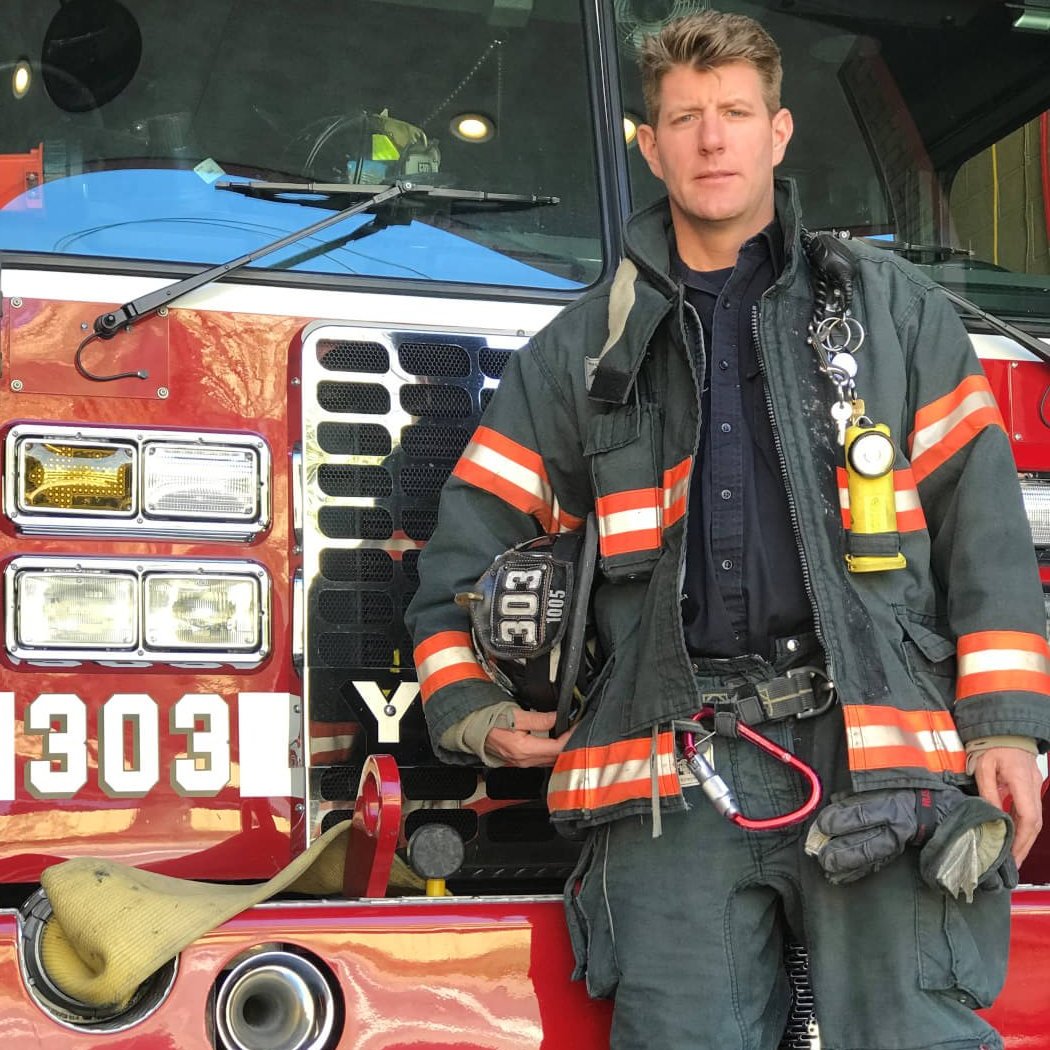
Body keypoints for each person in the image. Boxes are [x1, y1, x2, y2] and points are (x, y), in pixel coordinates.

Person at [405, 10, 1048, 1049]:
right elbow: (464, 556)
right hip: (671, 781)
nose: (713, 139)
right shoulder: (578, 357)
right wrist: (472, 705)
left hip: (877, 764)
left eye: (736, 113)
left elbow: (985, 536)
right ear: (649, 146)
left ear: (779, 132)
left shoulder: (898, 317)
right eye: (686, 117)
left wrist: (1007, 726)